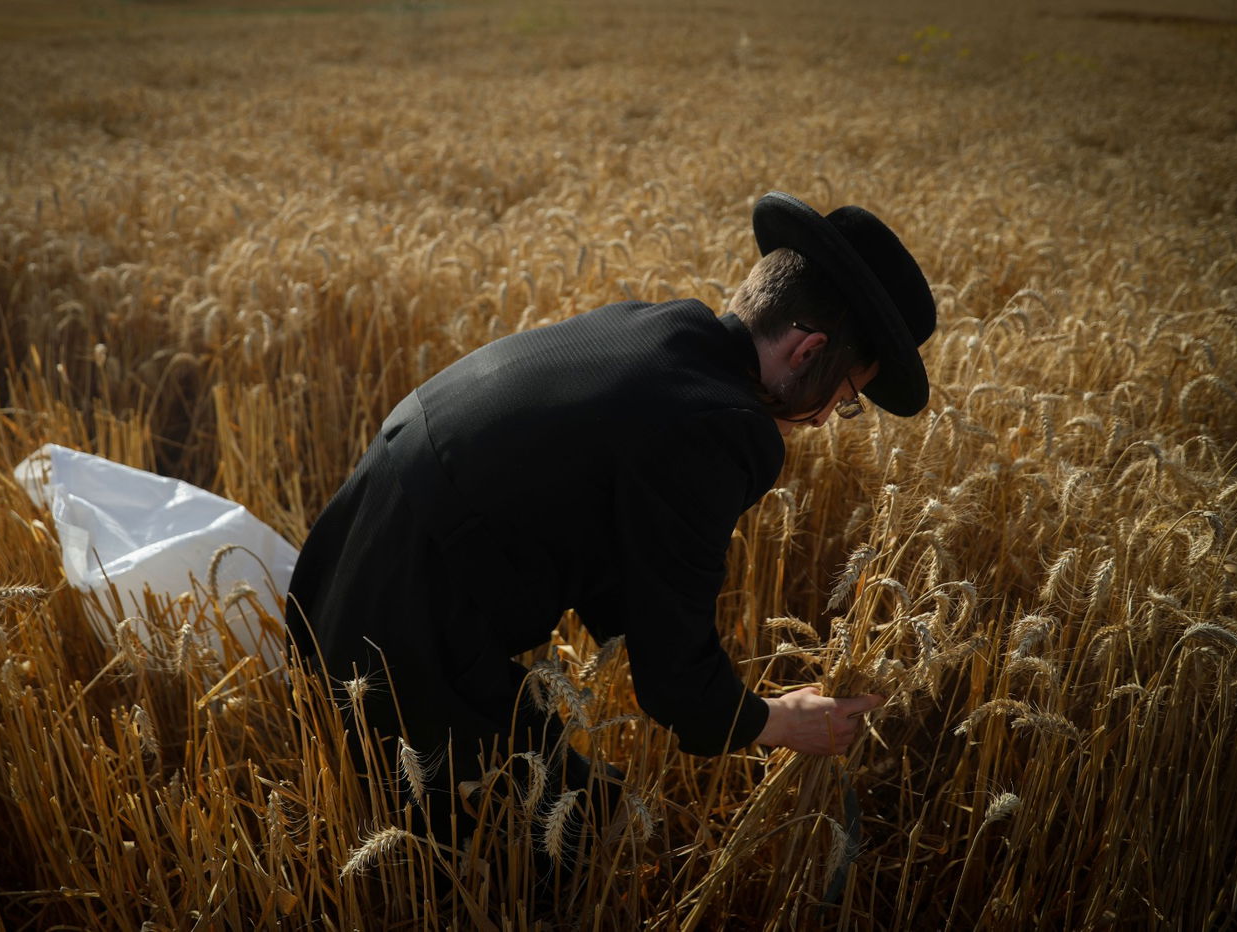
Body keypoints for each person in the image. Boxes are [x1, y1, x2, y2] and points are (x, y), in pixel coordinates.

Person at [285, 190, 936, 852]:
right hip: (400, 640)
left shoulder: (652, 330)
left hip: (335, 567)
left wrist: (694, 661)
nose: (826, 419)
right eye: (847, 398)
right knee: (576, 841)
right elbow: (673, 677)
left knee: (562, 801)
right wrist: (776, 721)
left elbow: (611, 552)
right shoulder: (723, 428)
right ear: (808, 353)